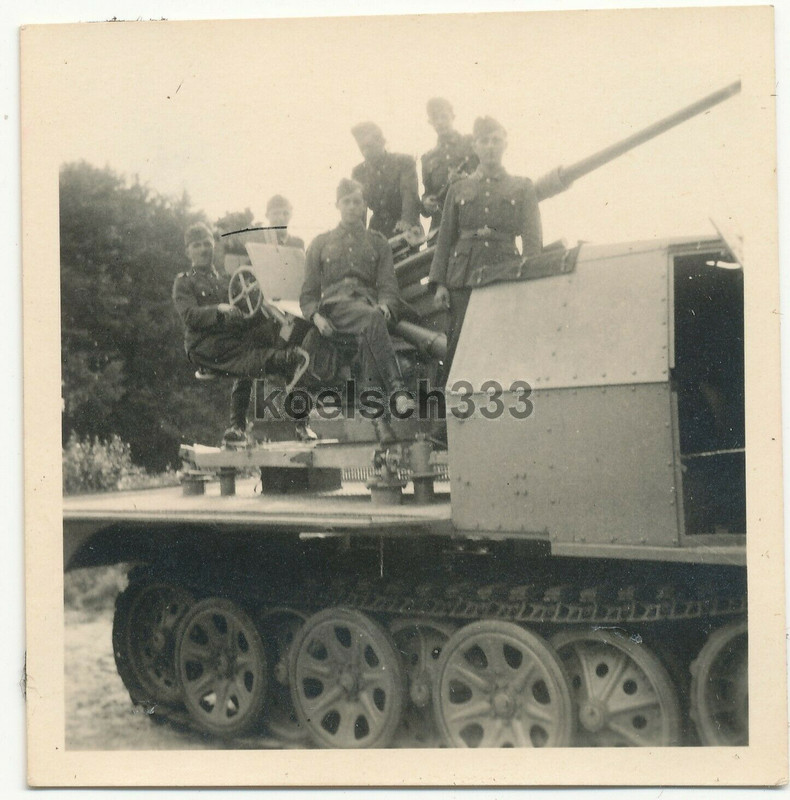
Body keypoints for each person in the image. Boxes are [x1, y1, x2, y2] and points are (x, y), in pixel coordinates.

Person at [429, 116, 543, 385]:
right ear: (475, 147)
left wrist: (530, 279)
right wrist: (439, 284)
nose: (490, 146)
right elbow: (445, 238)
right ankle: (449, 421)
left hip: (505, 271)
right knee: (458, 346)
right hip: (463, 276)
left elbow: (532, 238)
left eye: (495, 140)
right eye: (484, 141)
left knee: (504, 342)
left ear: (505, 144)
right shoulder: (458, 188)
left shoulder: (522, 187)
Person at [172, 222, 303, 444]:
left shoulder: (226, 279)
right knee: (248, 357)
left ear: (213, 246)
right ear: (188, 251)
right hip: (203, 344)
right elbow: (189, 316)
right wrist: (218, 309)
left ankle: (292, 422)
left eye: (207, 244)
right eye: (197, 245)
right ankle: (280, 360)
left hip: (231, 338)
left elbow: (244, 308)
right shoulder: (184, 282)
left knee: (273, 333)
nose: (203, 249)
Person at [300, 178, 414, 420]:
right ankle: (397, 388)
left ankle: (374, 413)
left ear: (364, 206)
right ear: (337, 205)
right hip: (335, 311)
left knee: (371, 326)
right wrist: (316, 318)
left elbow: (387, 285)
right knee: (372, 320)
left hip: (368, 307)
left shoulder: (377, 241)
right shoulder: (320, 243)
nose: (352, 207)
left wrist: (386, 305)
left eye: (357, 202)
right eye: (347, 202)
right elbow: (308, 294)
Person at [350, 122, 421, 241]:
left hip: (405, 227)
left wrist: (406, 222)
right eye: (362, 148)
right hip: (377, 231)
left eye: (369, 146)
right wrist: (358, 237)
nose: (365, 152)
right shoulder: (358, 173)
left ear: (382, 142)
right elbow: (359, 209)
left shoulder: (403, 162)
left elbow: (409, 195)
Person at [420, 98, 478, 232]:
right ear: (430, 122)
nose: (440, 122)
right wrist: (426, 202)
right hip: (441, 226)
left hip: (472, 220)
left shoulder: (471, 143)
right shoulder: (428, 158)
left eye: (444, 117)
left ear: (453, 117)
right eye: (435, 118)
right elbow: (427, 194)